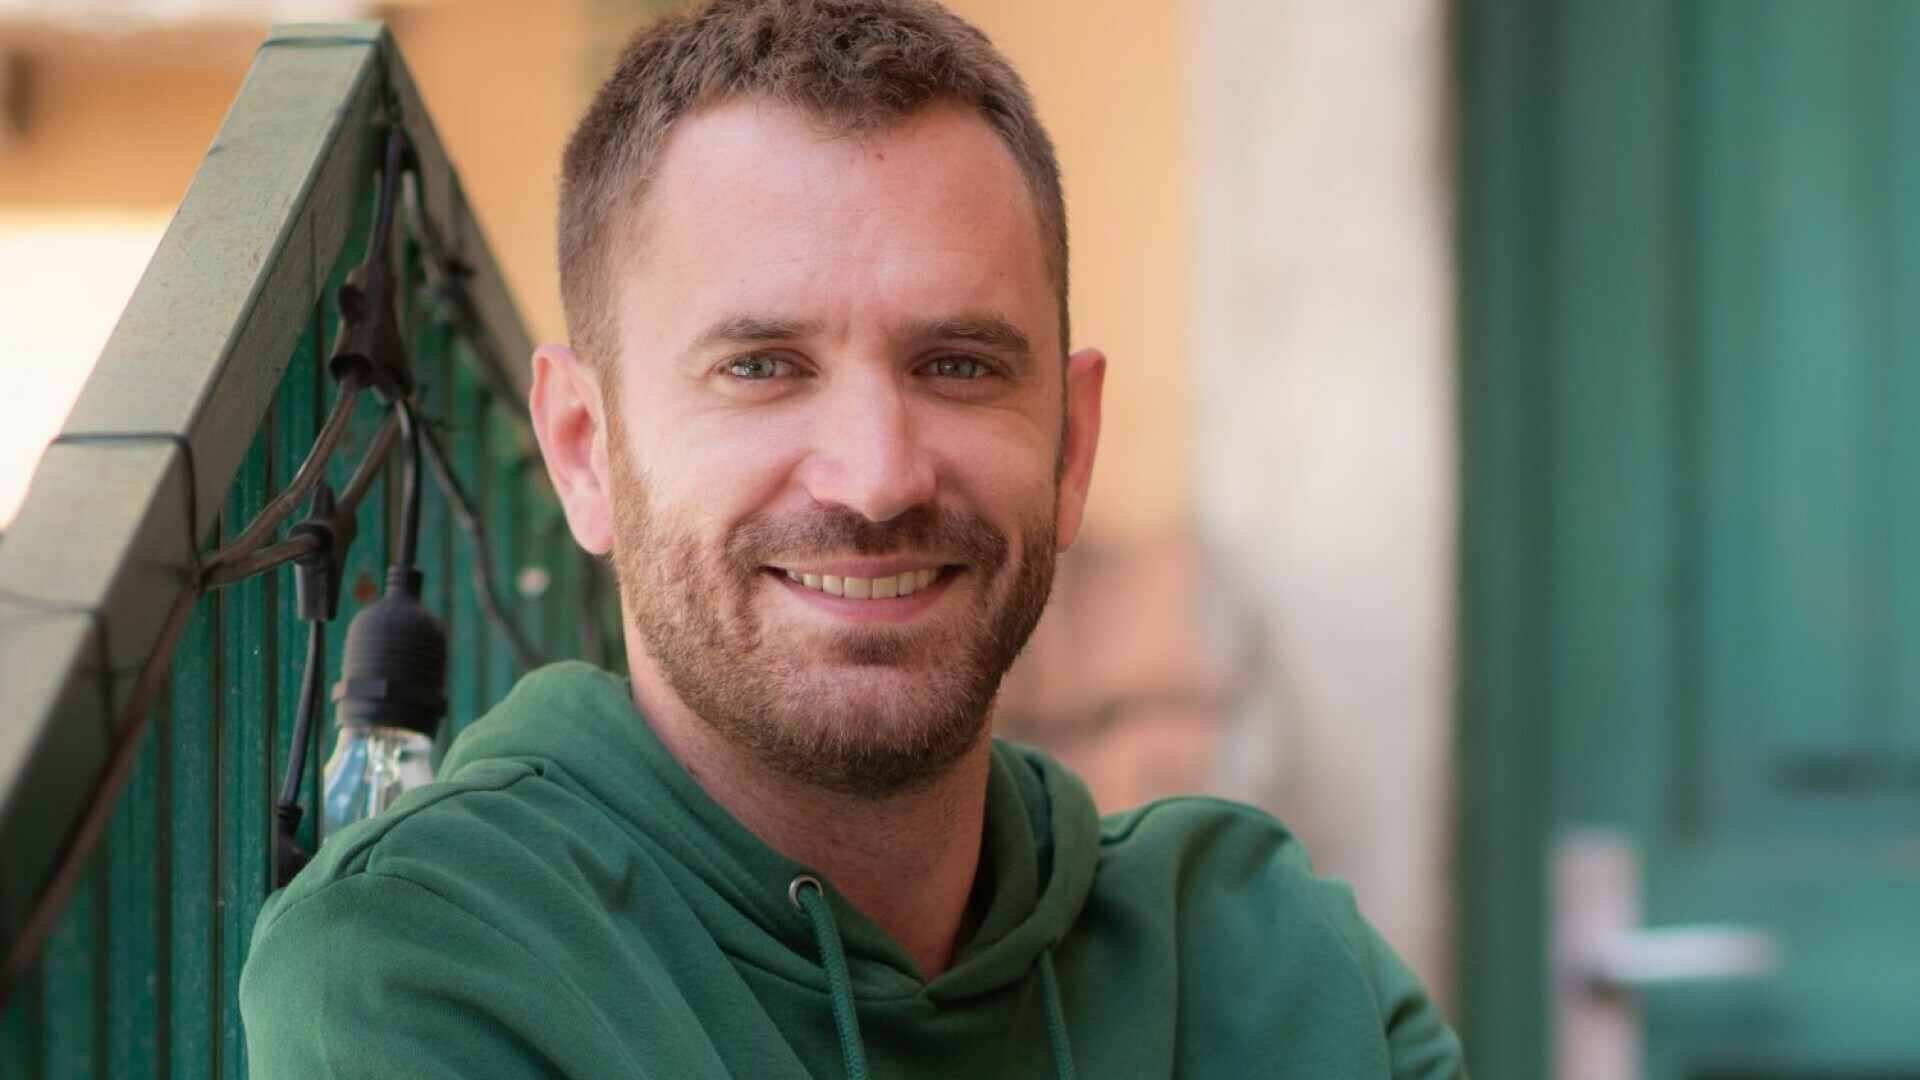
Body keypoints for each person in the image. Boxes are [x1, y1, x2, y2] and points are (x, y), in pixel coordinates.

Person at [240, 1, 1467, 1076]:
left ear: (1071, 444)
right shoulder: (426, 963)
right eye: (762, 366)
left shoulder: (1266, 961)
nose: (878, 479)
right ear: (582, 449)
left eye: (959, 364)